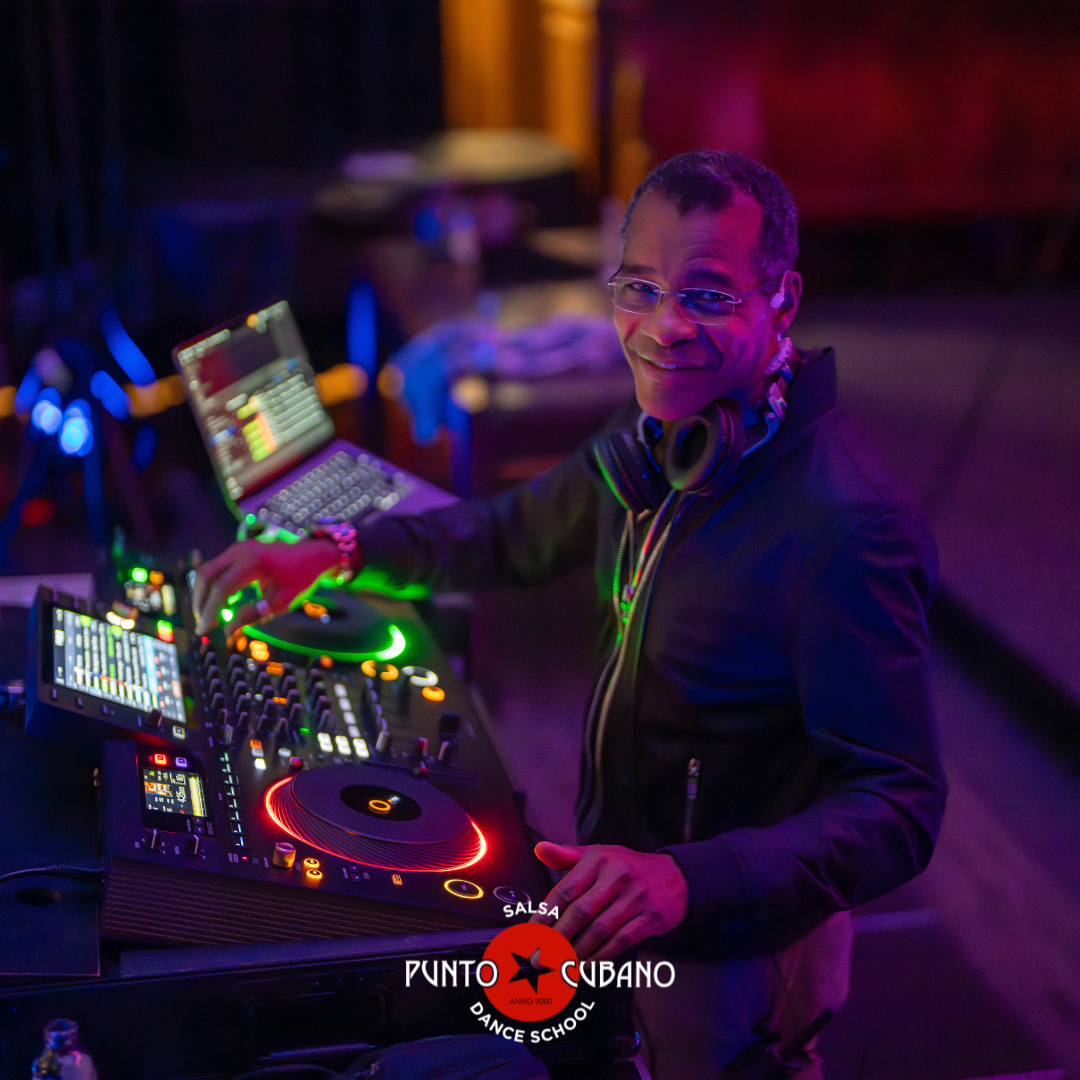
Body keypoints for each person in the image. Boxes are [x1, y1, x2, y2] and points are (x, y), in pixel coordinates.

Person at [194, 151, 945, 1079]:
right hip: (623, 895)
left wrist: (687, 878)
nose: (663, 327)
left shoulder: (847, 524)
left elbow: (898, 805)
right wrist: (337, 551)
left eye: (708, 296)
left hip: (735, 944)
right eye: (640, 288)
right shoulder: (666, 440)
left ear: (781, 302)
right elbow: (508, 532)